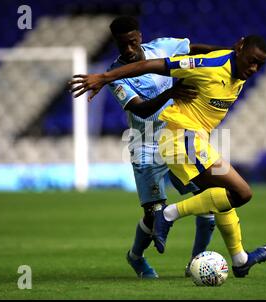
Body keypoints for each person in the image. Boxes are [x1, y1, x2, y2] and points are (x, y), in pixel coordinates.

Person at [70, 34, 266, 278]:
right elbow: (152, 66)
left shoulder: (236, 69)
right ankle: (164, 220)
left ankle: (238, 260)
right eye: (251, 61)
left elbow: (201, 47)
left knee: (220, 198)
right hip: (174, 140)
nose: (254, 68)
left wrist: (234, 52)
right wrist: (104, 77)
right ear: (240, 50)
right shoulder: (207, 66)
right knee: (240, 193)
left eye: (259, 64)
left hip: (191, 140)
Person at [90, 16, 233, 279]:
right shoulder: (115, 76)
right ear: (116, 44)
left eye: (133, 43)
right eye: (123, 46)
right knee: (153, 215)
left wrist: (227, 55)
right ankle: (136, 257)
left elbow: (195, 50)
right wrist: (170, 93)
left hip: (177, 136)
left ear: (140, 37)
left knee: (207, 199)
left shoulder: (164, 47)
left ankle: (195, 263)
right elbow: (140, 109)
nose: (129, 50)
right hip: (144, 144)